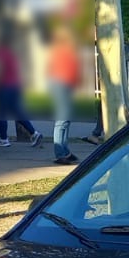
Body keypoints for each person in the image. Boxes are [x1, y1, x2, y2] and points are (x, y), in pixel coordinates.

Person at [0, 35, 41, 148]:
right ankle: (34, 133)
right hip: (15, 85)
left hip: (4, 87)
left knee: (1, 113)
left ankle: (4, 139)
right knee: (17, 112)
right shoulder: (11, 53)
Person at [47, 24, 80, 166]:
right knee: (62, 119)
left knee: (65, 120)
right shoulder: (61, 48)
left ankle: (64, 151)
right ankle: (60, 153)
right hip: (61, 83)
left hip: (64, 83)